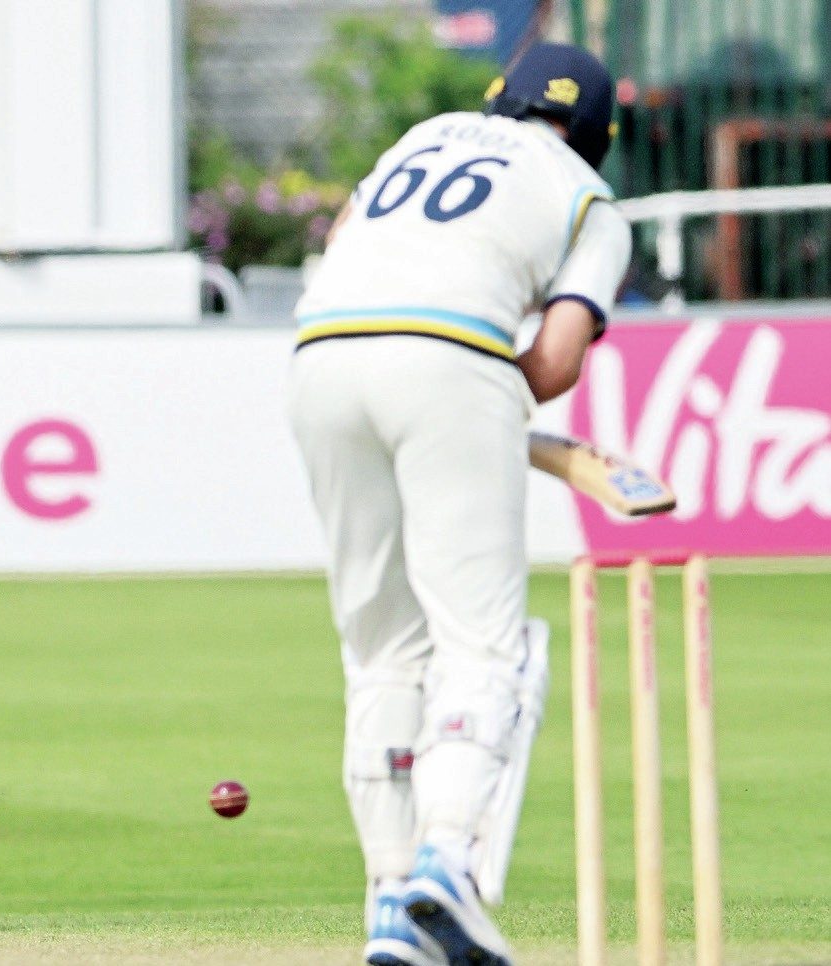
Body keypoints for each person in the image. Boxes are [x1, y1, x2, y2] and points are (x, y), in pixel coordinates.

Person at [286, 43, 630, 966]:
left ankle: (392, 900)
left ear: (497, 99)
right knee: (485, 646)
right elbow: (554, 360)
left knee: (381, 652)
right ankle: (446, 858)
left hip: (319, 355)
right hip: (454, 358)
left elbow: (344, 245)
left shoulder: (423, 136)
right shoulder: (592, 201)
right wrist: (471, 411)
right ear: (597, 136)